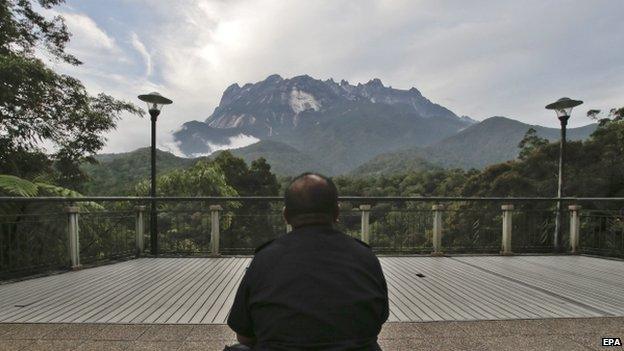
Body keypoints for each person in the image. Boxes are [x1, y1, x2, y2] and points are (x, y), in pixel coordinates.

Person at [226, 172, 389, 351]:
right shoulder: (365, 257)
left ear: (286, 215)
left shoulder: (264, 259)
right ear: (337, 213)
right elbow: (377, 322)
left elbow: (244, 336)